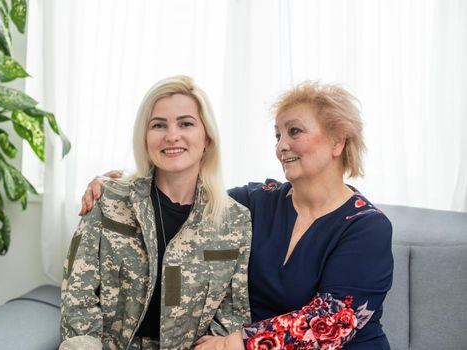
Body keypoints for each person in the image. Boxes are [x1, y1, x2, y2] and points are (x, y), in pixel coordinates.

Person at [81, 81, 394, 349]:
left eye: (294, 131)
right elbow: (182, 192)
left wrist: (234, 343)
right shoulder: (257, 201)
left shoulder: (367, 227)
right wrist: (117, 186)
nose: (281, 146)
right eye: (277, 135)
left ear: (338, 140)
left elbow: (333, 322)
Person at [61, 75, 252, 350]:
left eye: (186, 123)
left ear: (207, 138)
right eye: (158, 125)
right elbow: (78, 297)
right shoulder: (109, 200)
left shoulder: (234, 220)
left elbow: (231, 316)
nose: (172, 135)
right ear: (145, 137)